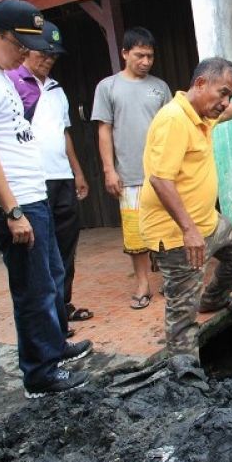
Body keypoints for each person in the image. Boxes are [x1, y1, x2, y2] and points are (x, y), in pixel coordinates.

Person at [0, 0, 92, 398]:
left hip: (32, 195)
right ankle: (40, 374)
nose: (26, 54)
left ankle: (54, 347)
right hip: (14, 204)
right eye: (20, 46)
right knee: (33, 289)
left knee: (51, 277)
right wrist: (12, 210)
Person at [139, 57, 232, 360]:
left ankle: (213, 300)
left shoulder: (200, 114)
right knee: (182, 314)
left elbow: (225, 115)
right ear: (201, 83)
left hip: (208, 223)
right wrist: (188, 229)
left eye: (229, 95)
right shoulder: (174, 119)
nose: (226, 102)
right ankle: (185, 377)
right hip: (178, 234)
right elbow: (160, 178)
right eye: (223, 93)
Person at [6, 20, 93, 328]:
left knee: (66, 243)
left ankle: (63, 304)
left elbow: (63, 133)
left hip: (61, 176)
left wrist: (77, 172)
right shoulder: (12, 84)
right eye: (42, 54)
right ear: (26, 51)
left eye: (53, 56)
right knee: (43, 250)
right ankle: (52, 318)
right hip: (32, 180)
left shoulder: (56, 89)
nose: (47, 60)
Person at [91, 26, 171, 310]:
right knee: (135, 232)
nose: (146, 62)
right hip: (129, 174)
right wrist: (109, 170)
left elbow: (170, 128)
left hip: (161, 172)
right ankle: (142, 283)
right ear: (125, 53)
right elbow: (104, 131)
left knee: (167, 227)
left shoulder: (160, 87)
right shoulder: (107, 87)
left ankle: (170, 280)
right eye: (139, 55)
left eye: (150, 56)